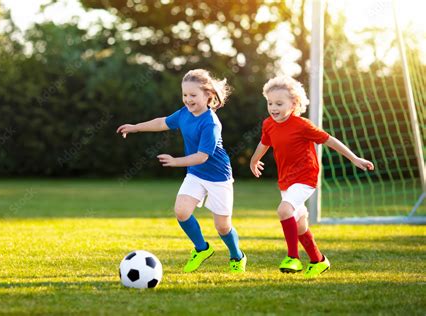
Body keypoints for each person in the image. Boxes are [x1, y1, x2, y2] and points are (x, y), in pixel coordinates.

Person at [116, 69, 246, 273]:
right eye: (185, 94)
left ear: (208, 96)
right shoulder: (184, 114)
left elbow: (203, 156)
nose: (187, 99)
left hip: (218, 177)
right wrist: (135, 127)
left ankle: (237, 256)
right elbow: (162, 122)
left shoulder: (211, 123)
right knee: (181, 211)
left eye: (193, 95)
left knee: (222, 227)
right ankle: (202, 248)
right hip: (195, 173)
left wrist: (176, 161)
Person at [249, 76, 374, 278]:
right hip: (286, 180)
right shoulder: (268, 124)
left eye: (279, 103)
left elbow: (329, 140)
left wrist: (354, 158)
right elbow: (264, 143)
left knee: (284, 210)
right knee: (298, 224)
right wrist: (254, 160)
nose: (273, 107)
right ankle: (318, 260)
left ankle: (293, 258)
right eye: (270, 103)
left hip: (306, 177)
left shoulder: (302, 125)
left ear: (294, 104)